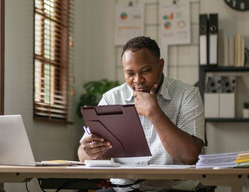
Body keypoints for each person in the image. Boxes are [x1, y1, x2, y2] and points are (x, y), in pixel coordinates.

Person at [77, 36, 205, 192]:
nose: (137, 80)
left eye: (145, 71)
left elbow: (189, 156)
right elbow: (83, 155)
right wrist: (89, 150)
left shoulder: (187, 94)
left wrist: (154, 112)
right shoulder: (112, 98)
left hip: (172, 189)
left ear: (160, 65)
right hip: (122, 189)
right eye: (130, 74)